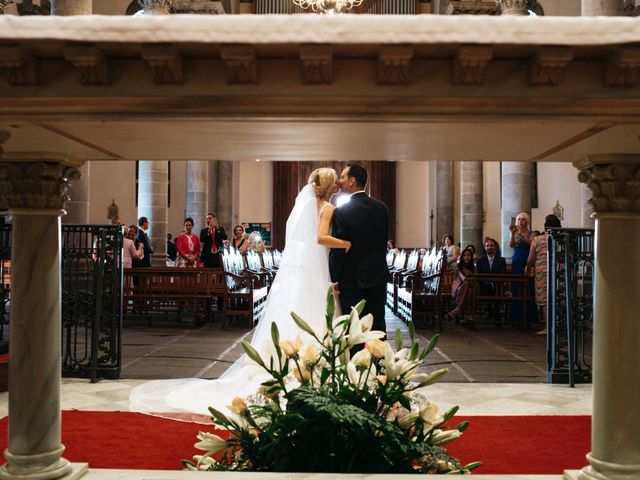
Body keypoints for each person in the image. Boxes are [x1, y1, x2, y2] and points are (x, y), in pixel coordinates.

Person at [129, 167, 352, 416]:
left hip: (304, 270)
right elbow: (320, 239)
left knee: (297, 313)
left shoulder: (303, 208)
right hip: (316, 270)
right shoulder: (327, 209)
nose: (338, 186)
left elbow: (300, 241)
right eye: (336, 182)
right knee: (316, 312)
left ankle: (288, 367)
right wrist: (346, 243)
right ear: (329, 186)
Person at [330, 163, 390, 335]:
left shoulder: (342, 211)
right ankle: (379, 361)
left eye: (342, 177)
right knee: (377, 326)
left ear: (352, 181)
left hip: (352, 280)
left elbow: (338, 250)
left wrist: (334, 277)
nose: (340, 181)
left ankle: (357, 362)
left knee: (354, 328)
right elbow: (383, 242)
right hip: (378, 276)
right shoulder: (382, 208)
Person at [525, 214, 562, 336]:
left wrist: (528, 270)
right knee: (558, 298)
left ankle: (548, 328)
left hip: (542, 273)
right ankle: (560, 327)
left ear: (545, 226)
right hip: (558, 271)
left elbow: (531, 258)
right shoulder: (562, 239)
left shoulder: (538, 239)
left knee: (546, 301)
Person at [509, 212, 537, 324]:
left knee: (528, 287)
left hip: (527, 260)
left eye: (523, 219)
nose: (521, 221)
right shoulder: (515, 232)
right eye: (519, 219)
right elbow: (511, 245)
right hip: (516, 261)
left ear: (527, 221)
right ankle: (516, 318)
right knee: (516, 287)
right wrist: (512, 234)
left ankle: (529, 317)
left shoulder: (532, 233)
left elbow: (532, 243)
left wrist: (521, 235)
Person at [475, 237, 506, 325]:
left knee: (497, 289)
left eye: (492, 245)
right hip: (484, 285)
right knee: (488, 288)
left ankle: (495, 312)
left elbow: (502, 274)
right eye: (487, 246)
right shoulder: (480, 260)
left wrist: (493, 282)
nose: (490, 247)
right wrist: (489, 282)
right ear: (485, 247)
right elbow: (479, 274)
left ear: (495, 247)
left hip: (498, 285)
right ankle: (493, 312)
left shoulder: (501, 260)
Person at [448, 247, 475, 322]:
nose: (466, 257)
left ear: (471, 257)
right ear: (462, 257)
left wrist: (470, 274)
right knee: (468, 288)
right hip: (458, 287)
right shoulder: (458, 266)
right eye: (464, 255)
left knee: (469, 290)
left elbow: (474, 280)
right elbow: (463, 279)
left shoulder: (474, 266)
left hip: (471, 287)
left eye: (469, 255)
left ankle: (459, 309)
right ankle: (468, 314)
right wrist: (460, 272)